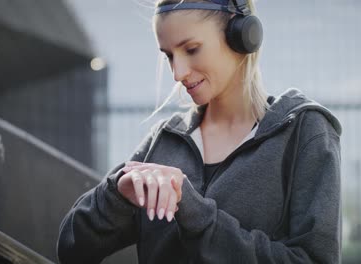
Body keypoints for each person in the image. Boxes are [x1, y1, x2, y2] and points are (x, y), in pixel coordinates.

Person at [57, 0, 342, 263]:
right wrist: (116, 195)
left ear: (241, 35)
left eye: (191, 49)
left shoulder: (305, 132)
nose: (177, 73)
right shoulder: (164, 141)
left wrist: (198, 215)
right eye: (168, 56)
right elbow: (71, 248)